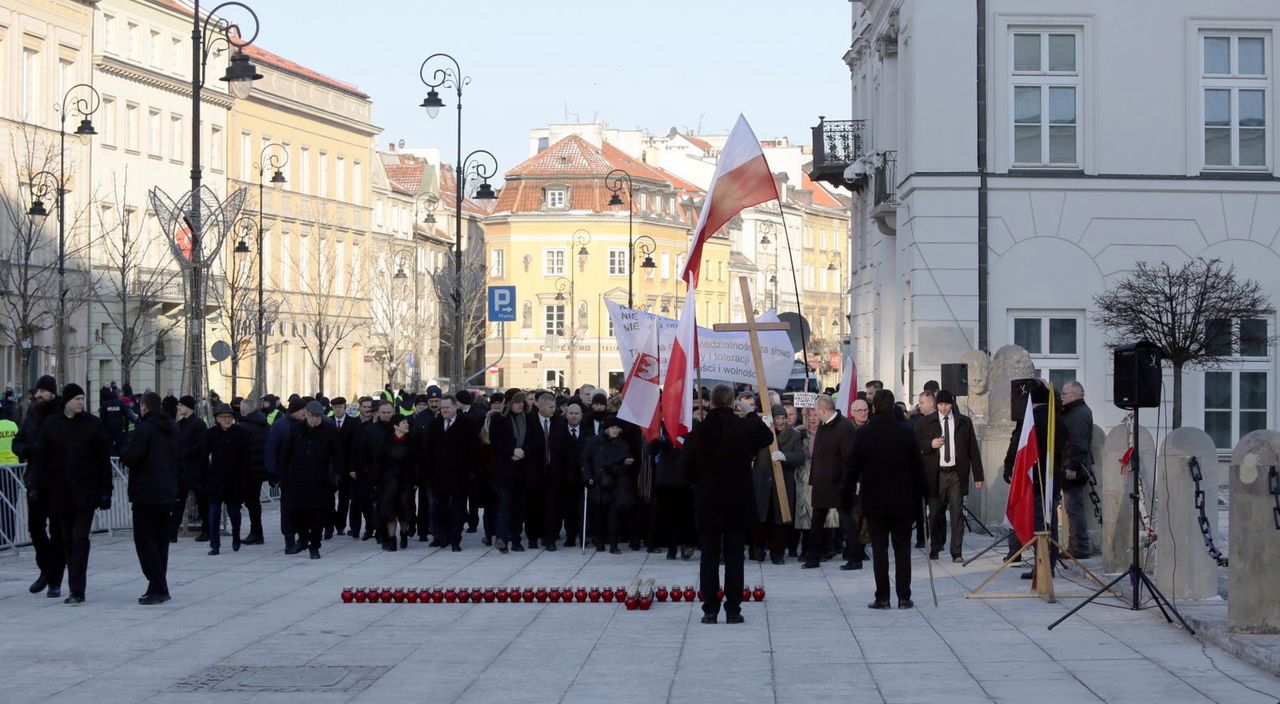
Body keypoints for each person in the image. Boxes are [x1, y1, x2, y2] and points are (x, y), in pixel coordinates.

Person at [679, 384, 774, 624]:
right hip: (736, 501)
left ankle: (710, 609)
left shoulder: (699, 432)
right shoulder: (742, 428)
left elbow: (685, 470)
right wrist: (750, 413)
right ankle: (733, 609)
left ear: (710, 402)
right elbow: (766, 436)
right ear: (733, 403)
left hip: (708, 500)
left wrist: (699, 482)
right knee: (734, 557)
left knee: (709, 556)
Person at [852, 389, 927, 609]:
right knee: (903, 550)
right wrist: (923, 492)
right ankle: (904, 596)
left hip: (875, 501)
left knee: (879, 550)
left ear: (874, 406)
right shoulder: (906, 431)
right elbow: (917, 467)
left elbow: (853, 466)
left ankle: (882, 597)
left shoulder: (865, 433)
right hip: (902, 500)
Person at [38, 384, 112, 605]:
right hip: (60, 494)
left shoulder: (93, 425)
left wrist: (105, 491)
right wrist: (38, 488)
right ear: (67, 401)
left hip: (86, 494)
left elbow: (103, 461)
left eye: (83, 398)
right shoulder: (52, 426)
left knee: (80, 539)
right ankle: (70, 583)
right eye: (77, 398)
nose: (81, 402)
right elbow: (43, 461)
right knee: (67, 540)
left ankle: (77, 590)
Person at [120, 392, 179, 604]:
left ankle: (158, 585)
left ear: (144, 407)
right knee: (160, 542)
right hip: (166, 493)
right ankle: (158, 584)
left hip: (146, 493)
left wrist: (125, 447)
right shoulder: (171, 428)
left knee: (145, 542)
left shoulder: (144, 428)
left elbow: (131, 457)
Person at [12, 375, 65, 598]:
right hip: (35, 480)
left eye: (43, 391)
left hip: (59, 481)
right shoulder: (32, 414)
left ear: (52, 392)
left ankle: (55, 580)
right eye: (37, 391)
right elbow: (18, 442)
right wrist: (28, 449)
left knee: (57, 531)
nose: (38, 395)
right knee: (35, 528)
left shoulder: (62, 413)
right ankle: (46, 569)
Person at [917, 390, 984, 562]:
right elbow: (915, 443)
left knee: (956, 513)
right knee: (935, 514)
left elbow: (973, 449)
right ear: (936, 405)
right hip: (936, 474)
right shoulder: (926, 422)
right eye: (940, 404)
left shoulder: (964, 422)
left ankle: (957, 552)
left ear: (952, 404)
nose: (944, 408)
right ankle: (936, 546)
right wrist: (930, 444)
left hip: (956, 473)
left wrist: (978, 475)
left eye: (946, 404)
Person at [279, 401, 340, 559]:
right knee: (297, 512)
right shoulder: (296, 430)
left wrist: (336, 475)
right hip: (298, 478)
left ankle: (315, 545)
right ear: (306, 415)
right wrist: (282, 475)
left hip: (320, 480)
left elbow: (337, 455)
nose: (315, 420)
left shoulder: (329, 430)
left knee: (317, 515)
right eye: (312, 417)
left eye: (318, 417)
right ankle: (303, 538)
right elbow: (286, 454)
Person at [804, 395, 857, 569]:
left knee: (847, 521)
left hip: (839, 483)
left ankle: (855, 558)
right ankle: (813, 558)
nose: (815, 415)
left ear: (823, 411)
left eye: (816, 411)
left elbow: (850, 458)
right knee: (817, 520)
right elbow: (817, 456)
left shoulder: (845, 426)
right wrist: (812, 480)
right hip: (821, 483)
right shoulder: (823, 426)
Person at [488, 391, 544, 553]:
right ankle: (501, 538)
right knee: (504, 505)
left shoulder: (529, 418)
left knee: (519, 508)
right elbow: (495, 442)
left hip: (522, 470)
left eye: (522, 402)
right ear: (509, 402)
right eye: (516, 402)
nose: (520, 405)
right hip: (504, 470)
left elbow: (537, 440)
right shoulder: (499, 419)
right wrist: (511, 451)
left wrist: (523, 451)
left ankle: (516, 540)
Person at [751, 404, 802, 565]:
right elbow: (751, 450)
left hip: (783, 484)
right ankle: (758, 549)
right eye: (777, 418)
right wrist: (761, 430)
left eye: (783, 418)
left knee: (780, 521)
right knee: (761, 519)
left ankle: (777, 553)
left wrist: (785, 457)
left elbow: (800, 456)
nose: (780, 421)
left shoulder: (794, 435)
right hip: (763, 483)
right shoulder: (761, 433)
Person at [425, 396, 477, 551]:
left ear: (455, 407)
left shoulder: (467, 424)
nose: (444, 410)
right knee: (439, 508)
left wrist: (471, 472)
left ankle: (455, 539)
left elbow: (473, 451)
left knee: (458, 508)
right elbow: (428, 450)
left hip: (460, 476)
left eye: (447, 407)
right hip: (439, 476)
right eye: (442, 408)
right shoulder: (435, 425)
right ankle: (443, 536)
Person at [581, 417, 636, 553]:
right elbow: (586, 460)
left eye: (617, 428)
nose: (615, 431)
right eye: (612, 428)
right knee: (599, 515)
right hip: (598, 484)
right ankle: (599, 541)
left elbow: (626, 464)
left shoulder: (622, 444)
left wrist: (618, 467)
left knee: (614, 517)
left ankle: (613, 545)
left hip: (616, 484)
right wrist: (588, 477)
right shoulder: (594, 442)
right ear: (606, 429)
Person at [204, 404, 248, 555]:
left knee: (234, 512)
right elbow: (204, 455)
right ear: (217, 419)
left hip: (234, 480)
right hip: (215, 480)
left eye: (229, 417)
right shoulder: (211, 434)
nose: (227, 420)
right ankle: (214, 544)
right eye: (223, 417)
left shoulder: (240, 433)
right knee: (214, 513)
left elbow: (245, 457)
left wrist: (244, 479)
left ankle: (236, 535)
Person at [266, 397, 307, 552]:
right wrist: (273, 473)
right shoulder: (280, 426)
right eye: (302, 410)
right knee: (288, 508)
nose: (305, 413)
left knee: (305, 508)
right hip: (288, 475)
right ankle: (289, 541)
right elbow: (271, 450)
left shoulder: (307, 424)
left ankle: (303, 538)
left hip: (306, 475)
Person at [1060, 381, 1094, 558]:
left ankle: (1079, 547)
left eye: (1064, 394)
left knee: (1074, 508)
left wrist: (1072, 467)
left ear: (1074, 395)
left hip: (1074, 468)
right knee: (1071, 507)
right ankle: (1074, 545)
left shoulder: (1078, 414)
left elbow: (1078, 443)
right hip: (1071, 465)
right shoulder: (1075, 412)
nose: (1062, 397)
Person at [532, 391, 568, 550]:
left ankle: (550, 539)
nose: (553, 410)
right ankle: (533, 537)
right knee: (534, 506)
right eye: (550, 407)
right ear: (540, 406)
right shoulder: (530, 420)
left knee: (552, 506)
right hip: (535, 471)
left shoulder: (559, 422)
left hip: (554, 472)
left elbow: (564, 446)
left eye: (554, 407)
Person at [352, 400, 393, 542]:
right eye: (383, 413)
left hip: (391, 473)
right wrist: (359, 468)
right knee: (369, 503)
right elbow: (360, 450)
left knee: (386, 504)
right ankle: (372, 527)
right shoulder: (367, 429)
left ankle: (383, 532)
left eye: (389, 413)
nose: (385, 415)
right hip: (371, 472)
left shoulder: (396, 427)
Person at [377, 414, 417, 551]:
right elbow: (379, 463)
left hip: (406, 482)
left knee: (405, 512)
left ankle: (404, 534)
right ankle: (391, 539)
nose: (407, 425)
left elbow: (416, 463)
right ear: (396, 426)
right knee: (389, 513)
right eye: (404, 423)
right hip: (389, 482)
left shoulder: (412, 441)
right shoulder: (386, 441)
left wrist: (415, 479)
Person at [174, 396, 209, 543]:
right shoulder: (179, 424)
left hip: (197, 469)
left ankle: (207, 530)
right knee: (178, 502)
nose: (178, 407)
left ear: (188, 407)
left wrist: (184, 453)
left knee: (202, 501)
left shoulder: (199, 424)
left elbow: (201, 446)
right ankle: (172, 532)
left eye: (181, 405)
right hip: (182, 469)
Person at [237, 397, 270, 545]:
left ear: (243, 411)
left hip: (247, 470)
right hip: (259, 469)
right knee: (254, 502)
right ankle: (257, 532)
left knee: (250, 503)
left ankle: (255, 532)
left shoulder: (244, 426)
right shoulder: (264, 423)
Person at [559, 401, 589, 549]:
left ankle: (584, 536)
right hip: (566, 477)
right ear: (566, 414)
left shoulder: (587, 432)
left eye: (577, 413)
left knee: (583, 509)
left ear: (581, 415)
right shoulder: (560, 431)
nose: (574, 416)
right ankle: (570, 537)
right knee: (568, 509)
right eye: (571, 413)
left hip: (583, 477)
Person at [327, 396, 351, 540]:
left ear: (344, 408)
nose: (337, 410)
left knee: (344, 499)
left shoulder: (351, 423)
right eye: (335, 407)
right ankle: (329, 525)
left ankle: (340, 525)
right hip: (331, 467)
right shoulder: (328, 423)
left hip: (346, 467)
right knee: (328, 498)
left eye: (340, 407)